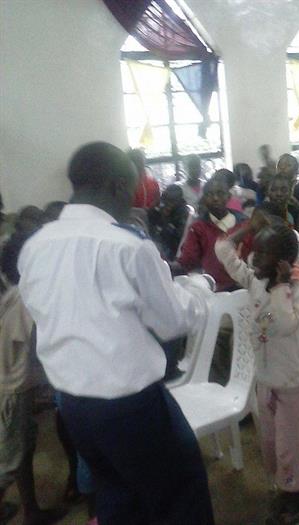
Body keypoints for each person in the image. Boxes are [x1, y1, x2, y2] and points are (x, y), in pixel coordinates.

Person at [17, 142, 215, 524]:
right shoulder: (127, 246)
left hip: (74, 407)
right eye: (135, 187)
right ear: (119, 186)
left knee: (117, 496)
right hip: (130, 408)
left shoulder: (36, 246)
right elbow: (172, 321)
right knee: (181, 497)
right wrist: (199, 290)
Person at [215, 223, 299, 524]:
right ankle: (284, 488)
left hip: (291, 383)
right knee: (269, 443)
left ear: (284, 262)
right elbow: (225, 253)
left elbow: (282, 325)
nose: (254, 258)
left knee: (288, 447)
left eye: (263, 253)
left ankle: (295, 499)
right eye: (254, 251)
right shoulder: (255, 281)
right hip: (265, 381)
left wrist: (281, 287)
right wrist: (246, 228)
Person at [0, 232, 66, 525]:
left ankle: (30, 511)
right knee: (11, 458)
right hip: (12, 388)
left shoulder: (14, 293)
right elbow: (41, 347)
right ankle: (30, 513)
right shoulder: (27, 300)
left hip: (13, 383)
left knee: (21, 449)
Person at [175, 178, 246, 291]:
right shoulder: (198, 228)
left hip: (243, 287)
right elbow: (188, 260)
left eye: (220, 193)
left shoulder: (244, 224)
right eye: (210, 194)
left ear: (228, 196)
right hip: (213, 289)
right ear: (204, 199)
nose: (215, 198)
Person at [147, 184, 190, 261]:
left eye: (172, 202)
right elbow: (149, 220)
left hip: (170, 246)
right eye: (167, 200)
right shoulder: (159, 204)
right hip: (153, 239)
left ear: (178, 201)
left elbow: (178, 237)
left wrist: (166, 219)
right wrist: (157, 210)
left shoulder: (183, 213)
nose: (169, 204)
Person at [266, 173, 299, 239]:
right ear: (268, 192)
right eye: (273, 189)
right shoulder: (262, 212)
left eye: (284, 190)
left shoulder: (297, 212)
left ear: (290, 192)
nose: (279, 194)